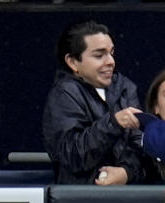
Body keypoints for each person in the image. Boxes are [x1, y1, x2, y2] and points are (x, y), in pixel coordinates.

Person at [42, 20, 145, 185]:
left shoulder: (125, 87)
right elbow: (72, 155)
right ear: (72, 62)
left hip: (128, 196)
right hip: (83, 200)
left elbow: (141, 144)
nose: (110, 61)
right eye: (99, 55)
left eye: (111, 53)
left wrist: (126, 171)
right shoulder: (64, 94)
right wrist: (114, 123)